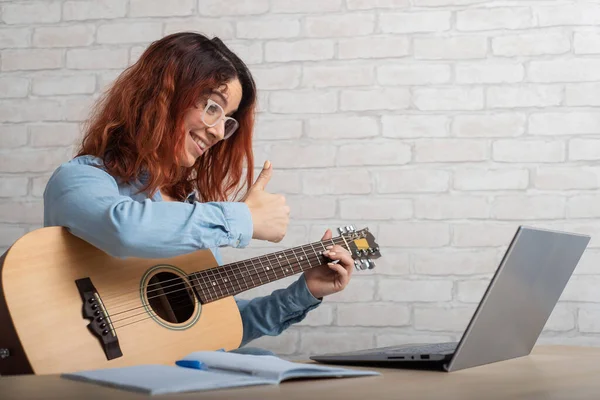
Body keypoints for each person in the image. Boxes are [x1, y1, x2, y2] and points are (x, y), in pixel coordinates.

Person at [42, 32, 355, 353]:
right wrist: (244, 218)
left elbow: (216, 328)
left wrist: (306, 291)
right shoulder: (82, 177)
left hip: (168, 372)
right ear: (163, 96)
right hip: (75, 359)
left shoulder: (190, 210)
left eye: (228, 119)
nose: (220, 132)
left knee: (263, 359)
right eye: (213, 108)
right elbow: (123, 229)